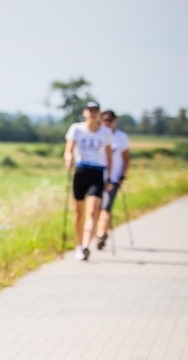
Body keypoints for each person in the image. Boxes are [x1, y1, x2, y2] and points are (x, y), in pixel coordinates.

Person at [64, 101, 113, 261]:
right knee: (79, 212)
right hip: (81, 170)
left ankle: (86, 245)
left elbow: (108, 156)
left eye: (95, 110)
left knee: (92, 210)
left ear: (99, 113)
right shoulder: (76, 129)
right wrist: (69, 158)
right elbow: (68, 149)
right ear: (85, 112)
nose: (92, 113)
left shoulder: (105, 132)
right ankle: (78, 245)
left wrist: (110, 177)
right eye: (90, 110)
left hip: (97, 172)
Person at [95, 110, 130, 249]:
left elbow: (126, 159)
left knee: (106, 208)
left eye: (109, 120)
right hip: (97, 177)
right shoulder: (98, 135)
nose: (106, 122)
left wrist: (122, 176)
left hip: (113, 178)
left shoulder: (121, 137)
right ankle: (101, 231)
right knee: (95, 209)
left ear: (114, 121)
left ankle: (100, 234)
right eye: (104, 119)